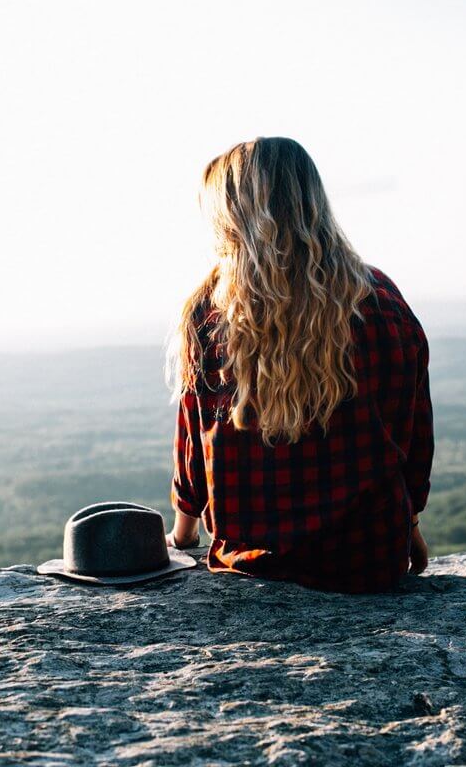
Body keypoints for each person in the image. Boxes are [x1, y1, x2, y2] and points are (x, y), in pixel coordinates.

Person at [165, 137, 433, 593]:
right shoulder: (379, 301)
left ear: (230, 219)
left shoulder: (209, 312)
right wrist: (408, 530)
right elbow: (408, 436)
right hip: (367, 561)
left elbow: (195, 452)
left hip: (251, 566)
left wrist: (181, 538)